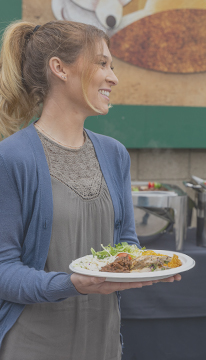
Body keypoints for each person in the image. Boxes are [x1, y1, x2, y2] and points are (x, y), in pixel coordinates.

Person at [0, 20, 180, 360]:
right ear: (60, 68)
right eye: (102, 63)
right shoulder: (12, 157)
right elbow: (3, 270)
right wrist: (71, 284)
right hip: (32, 344)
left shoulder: (114, 154)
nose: (113, 77)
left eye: (112, 66)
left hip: (102, 342)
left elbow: (126, 241)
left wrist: (147, 264)